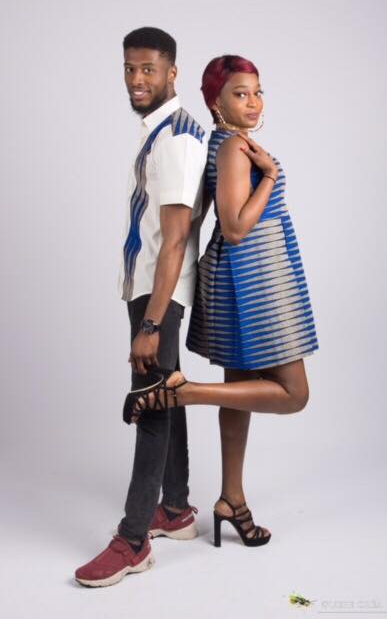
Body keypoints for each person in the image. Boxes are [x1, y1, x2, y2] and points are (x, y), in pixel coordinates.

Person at [129, 55, 319, 549]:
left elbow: (203, 214)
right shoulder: (235, 147)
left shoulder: (223, 142)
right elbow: (234, 228)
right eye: (240, 93)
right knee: (293, 393)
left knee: (240, 391)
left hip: (240, 274)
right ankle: (185, 391)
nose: (253, 102)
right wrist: (270, 177)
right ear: (216, 101)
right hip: (255, 275)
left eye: (257, 92)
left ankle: (231, 499)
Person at [74, 27, 208, 587]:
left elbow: (175, 239)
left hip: (159, 293)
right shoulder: (164, 130)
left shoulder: (176, 138)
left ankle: (133, 542)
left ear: (172, 72)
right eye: (130, 68)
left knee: (149, 405)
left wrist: (151, 323)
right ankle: (175, 509)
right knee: (166, 391)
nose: (136, 79)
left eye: (148, 69)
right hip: (152, 288)